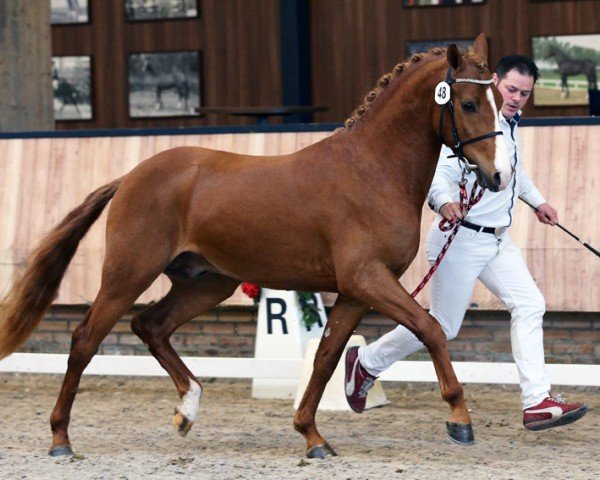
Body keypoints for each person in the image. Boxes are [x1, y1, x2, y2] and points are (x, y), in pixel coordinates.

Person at [344, 55, 588, 432]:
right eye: (511, 89)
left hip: (497, 242)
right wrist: (444, 202)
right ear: (493, 82)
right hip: (460, 238)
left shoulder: (507, 126)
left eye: (524, 93)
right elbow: (440, 174)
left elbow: (514, 174)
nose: (517, 98)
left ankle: (537, 401)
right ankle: (367, 363)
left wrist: (539, 203)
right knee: (444, 325)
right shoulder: (468, 123)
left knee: (529, 304)